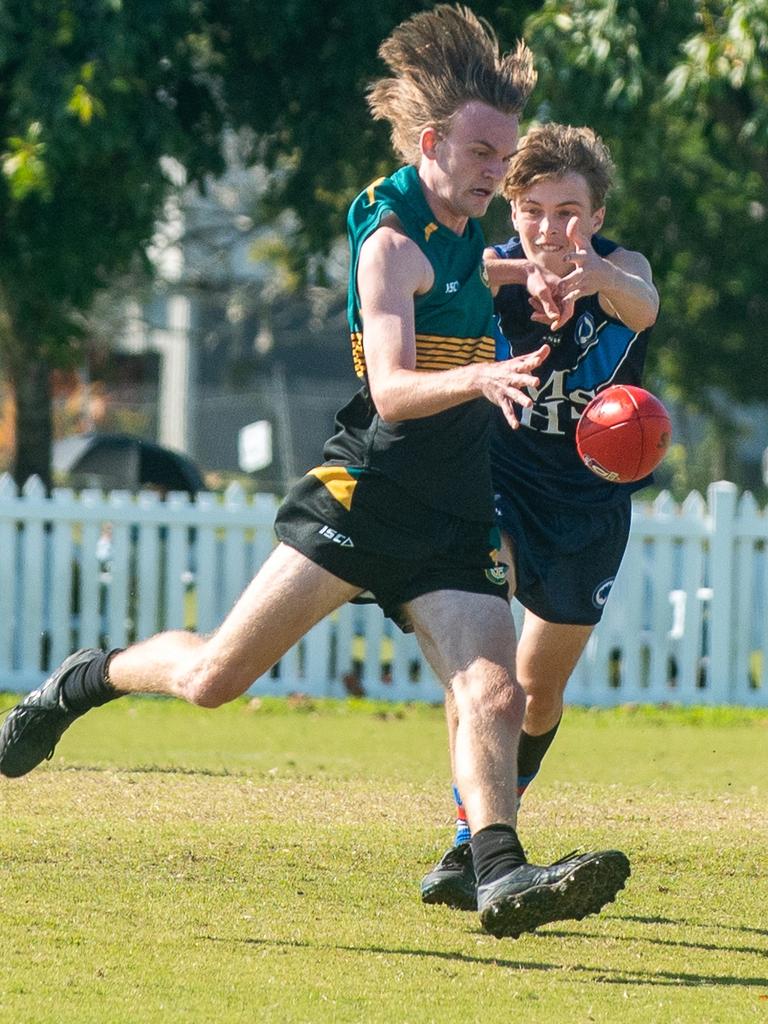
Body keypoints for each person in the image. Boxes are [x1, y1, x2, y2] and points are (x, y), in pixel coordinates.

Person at [0, 8, 629, 939]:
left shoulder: (462, 224)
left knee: (494, 690)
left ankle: (496, 869)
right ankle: (83, 681)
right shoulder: (390, 245)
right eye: (486, 153)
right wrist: (485, 373)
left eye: (506, 155)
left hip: (450, 514)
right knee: (217, 676)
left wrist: (522, 281)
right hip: (366, 497)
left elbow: (482, 270)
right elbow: (393, 391)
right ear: (431, 143)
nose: (501, 172)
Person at [420, 122, 659, 911]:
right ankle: (476, 846)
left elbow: (645, 304)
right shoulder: (489, 274)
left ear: (595, 215)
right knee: (483, 672)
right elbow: (466, 269)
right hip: (495, 485)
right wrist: (527, 272)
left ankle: (479, 834)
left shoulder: (622, 269)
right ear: (512, 210)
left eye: (569, 210)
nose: (551, 227)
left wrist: (589, 279)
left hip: (586, 511)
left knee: (539, 694)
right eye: (533, 208)